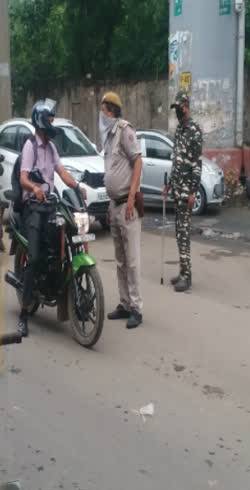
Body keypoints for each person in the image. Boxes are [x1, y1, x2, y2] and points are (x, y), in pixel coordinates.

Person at [17, 99, 85, 337]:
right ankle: (24, 313)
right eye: (51, 119)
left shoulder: (52, 147)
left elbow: (62, 171)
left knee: (62, 242)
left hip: (50, 205)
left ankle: (57, 284)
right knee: (34, 259)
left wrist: (77, 186)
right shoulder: (30, 147)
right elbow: (23, 177)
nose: (53, 123)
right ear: (41, 120)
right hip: (34, 208)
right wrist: (34, 188)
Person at [101, 92, 144, 329]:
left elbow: (137, 162)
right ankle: (125, 303)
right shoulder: (108, 136)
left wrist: (130, 198)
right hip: (114, 204)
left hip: (128, 206)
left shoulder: (125, 131)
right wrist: (111, 204)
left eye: (103, 108)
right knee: (120, 260)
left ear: (112, 110)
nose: (101, 113)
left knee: (132, 260)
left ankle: (137, 308)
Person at [163, 90, 203, 293]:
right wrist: (169, 184)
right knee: (178, 232)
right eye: (175, 108)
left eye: (179, 107)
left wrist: (193, 191)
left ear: (185, 106)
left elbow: (196, 163)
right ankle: (181, 270)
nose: (177, 111)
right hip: (176, 188)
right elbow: (176, 160)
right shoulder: (179, 130)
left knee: (184, 231)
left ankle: (187, 276)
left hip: (187, 189)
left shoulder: (194, 130)